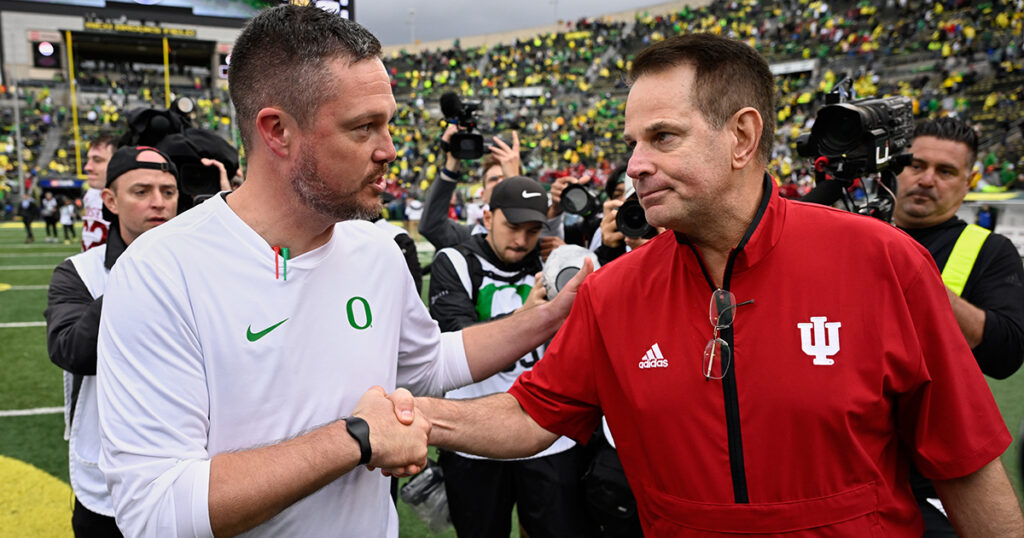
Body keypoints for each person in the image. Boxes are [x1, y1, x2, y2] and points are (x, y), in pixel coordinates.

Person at [410, 33, 1024, 536]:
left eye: (662, 137)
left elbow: (965, 465)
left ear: (742, 137)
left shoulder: (884, 261)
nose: (635, 165)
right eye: (632, 143)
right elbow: (531, 414)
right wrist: (414, 417)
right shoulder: (610, 292)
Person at [95, 6, 586, 537]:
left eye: (388, 124)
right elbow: (155, 510)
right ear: (278, 131)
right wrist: (354, 439)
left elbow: (427, 364)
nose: (389, 150)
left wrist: (548, 316)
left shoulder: (377, 250)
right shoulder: (162, 271)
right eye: (363, 127)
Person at [428, 176, 587, 538]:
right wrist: (526, 317)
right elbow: (455, 338)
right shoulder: (456, 260)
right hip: (473, 439)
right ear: (487, 218)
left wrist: (570, 266)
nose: (522, 239)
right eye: (512, 227)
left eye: (533, 230)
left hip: (550, 436)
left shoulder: (554, 262)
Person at [892, 116, 1024, 535]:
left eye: (946, 171)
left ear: (969, 182)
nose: (927, 179)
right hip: (846, 459)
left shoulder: (990, 251)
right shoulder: (848, 232)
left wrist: (922, 283)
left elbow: (1006, 352)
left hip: (932, 476)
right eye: (916, 165)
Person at [45, 145, 181, 537]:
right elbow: (72, 351)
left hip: (191, 467)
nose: (158, 202)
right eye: (141, 191)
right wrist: (138, 269)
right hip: (107, 479)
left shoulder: (202, 264)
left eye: (168, 192)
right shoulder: (80, 272)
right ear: (110, 200)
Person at [417, 125, 521, 250]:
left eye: (505, 177)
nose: (500, 182)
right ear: (483, 195)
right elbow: (431, 227)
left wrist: (514, 182)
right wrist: (451, 165)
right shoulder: (469, 237)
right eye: (493, 179)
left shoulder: (535, 233)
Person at [81, 133, 117, 251]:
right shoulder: (91, 193)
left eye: (97, 160)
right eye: (88, 159)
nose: (87, 167)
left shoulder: (130, 198)